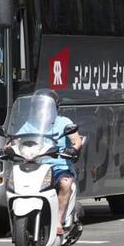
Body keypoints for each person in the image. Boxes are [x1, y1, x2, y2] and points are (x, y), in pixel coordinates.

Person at [21, 89, 83, 236]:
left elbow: (77, 140)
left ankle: (58, 220)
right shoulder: (30, 124)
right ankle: (20, 220)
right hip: (35, 167)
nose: (42, 108)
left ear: (55, 107)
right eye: (38, 105)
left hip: (59, 168)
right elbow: (15, 140)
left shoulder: (64, 122)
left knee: (65, 183)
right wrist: (8, 148)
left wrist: (73, 149)